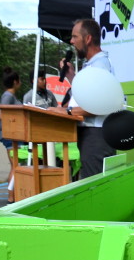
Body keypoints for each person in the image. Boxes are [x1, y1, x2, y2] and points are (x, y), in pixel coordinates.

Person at [50, 18, 116, 179]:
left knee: (96, 189)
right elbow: (87, 96)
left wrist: (67, 111)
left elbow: (100, 105)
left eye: (75, 37)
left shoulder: (99, 66)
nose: (71, 41)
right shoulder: (93, 65)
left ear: (88, 39)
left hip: (96, 136)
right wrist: (72, 77)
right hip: (92, 136)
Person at [0, 68, 22, 202]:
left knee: (15, 165)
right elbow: (3, 115)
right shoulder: (7, 96)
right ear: (15, 82)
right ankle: (11, 196)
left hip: (15, 135)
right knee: (15, 165)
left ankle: (12, 194)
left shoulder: (11, 96)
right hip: (11, 136)